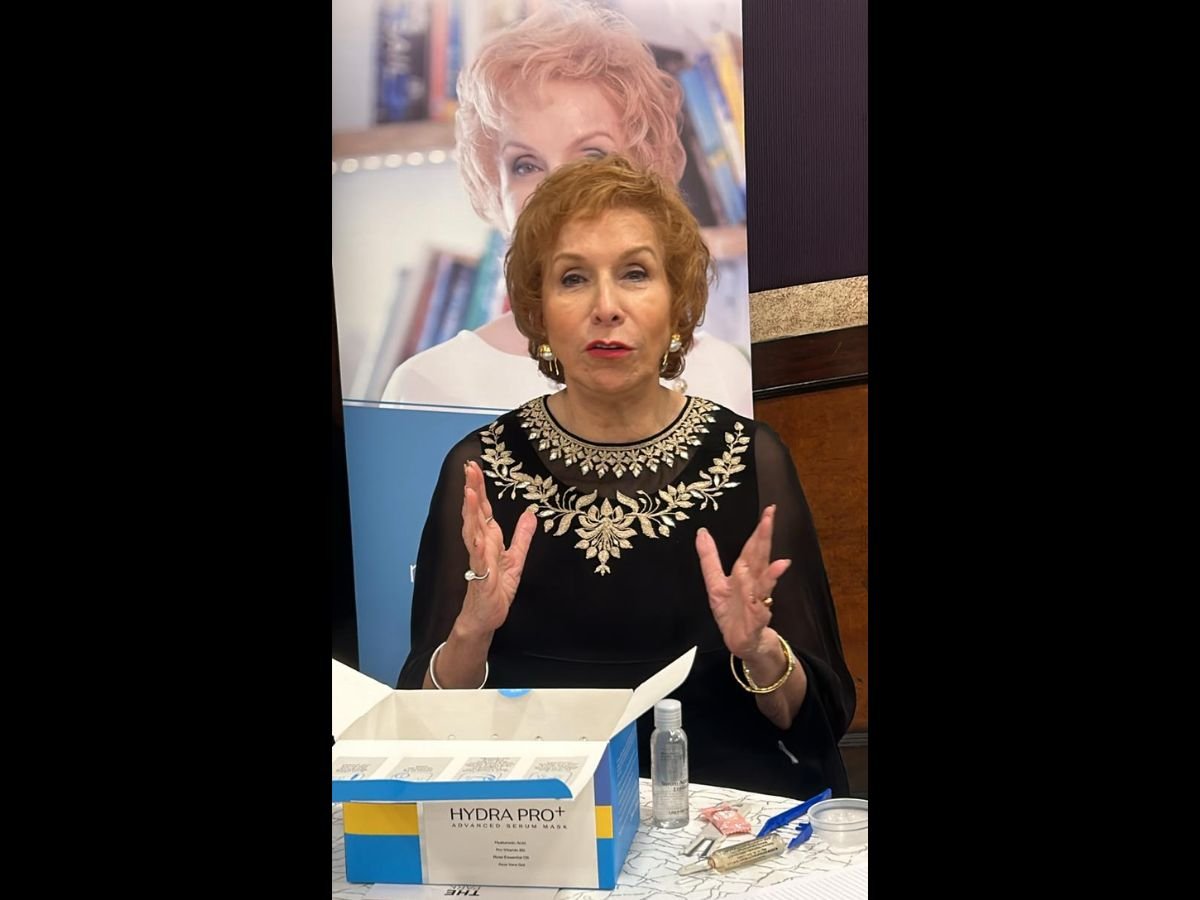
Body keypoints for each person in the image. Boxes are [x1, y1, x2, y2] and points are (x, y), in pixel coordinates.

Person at [396, 156, 854, 801]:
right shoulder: (480, 468)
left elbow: (816, 722)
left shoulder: (752, 457)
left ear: (678, 302)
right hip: (539, 820)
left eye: (635, 274)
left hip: (720, 820)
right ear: (537, 310)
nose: (606, 308)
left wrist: (759, 649)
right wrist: (472, 631)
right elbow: (422, 730)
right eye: (573, 278)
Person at [381, 0, 753, 417]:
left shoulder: (721, 375)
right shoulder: (428, 390)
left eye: (592, 157)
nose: (559, 190)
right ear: (493, 186)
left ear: (646, 171)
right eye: (526, 165)